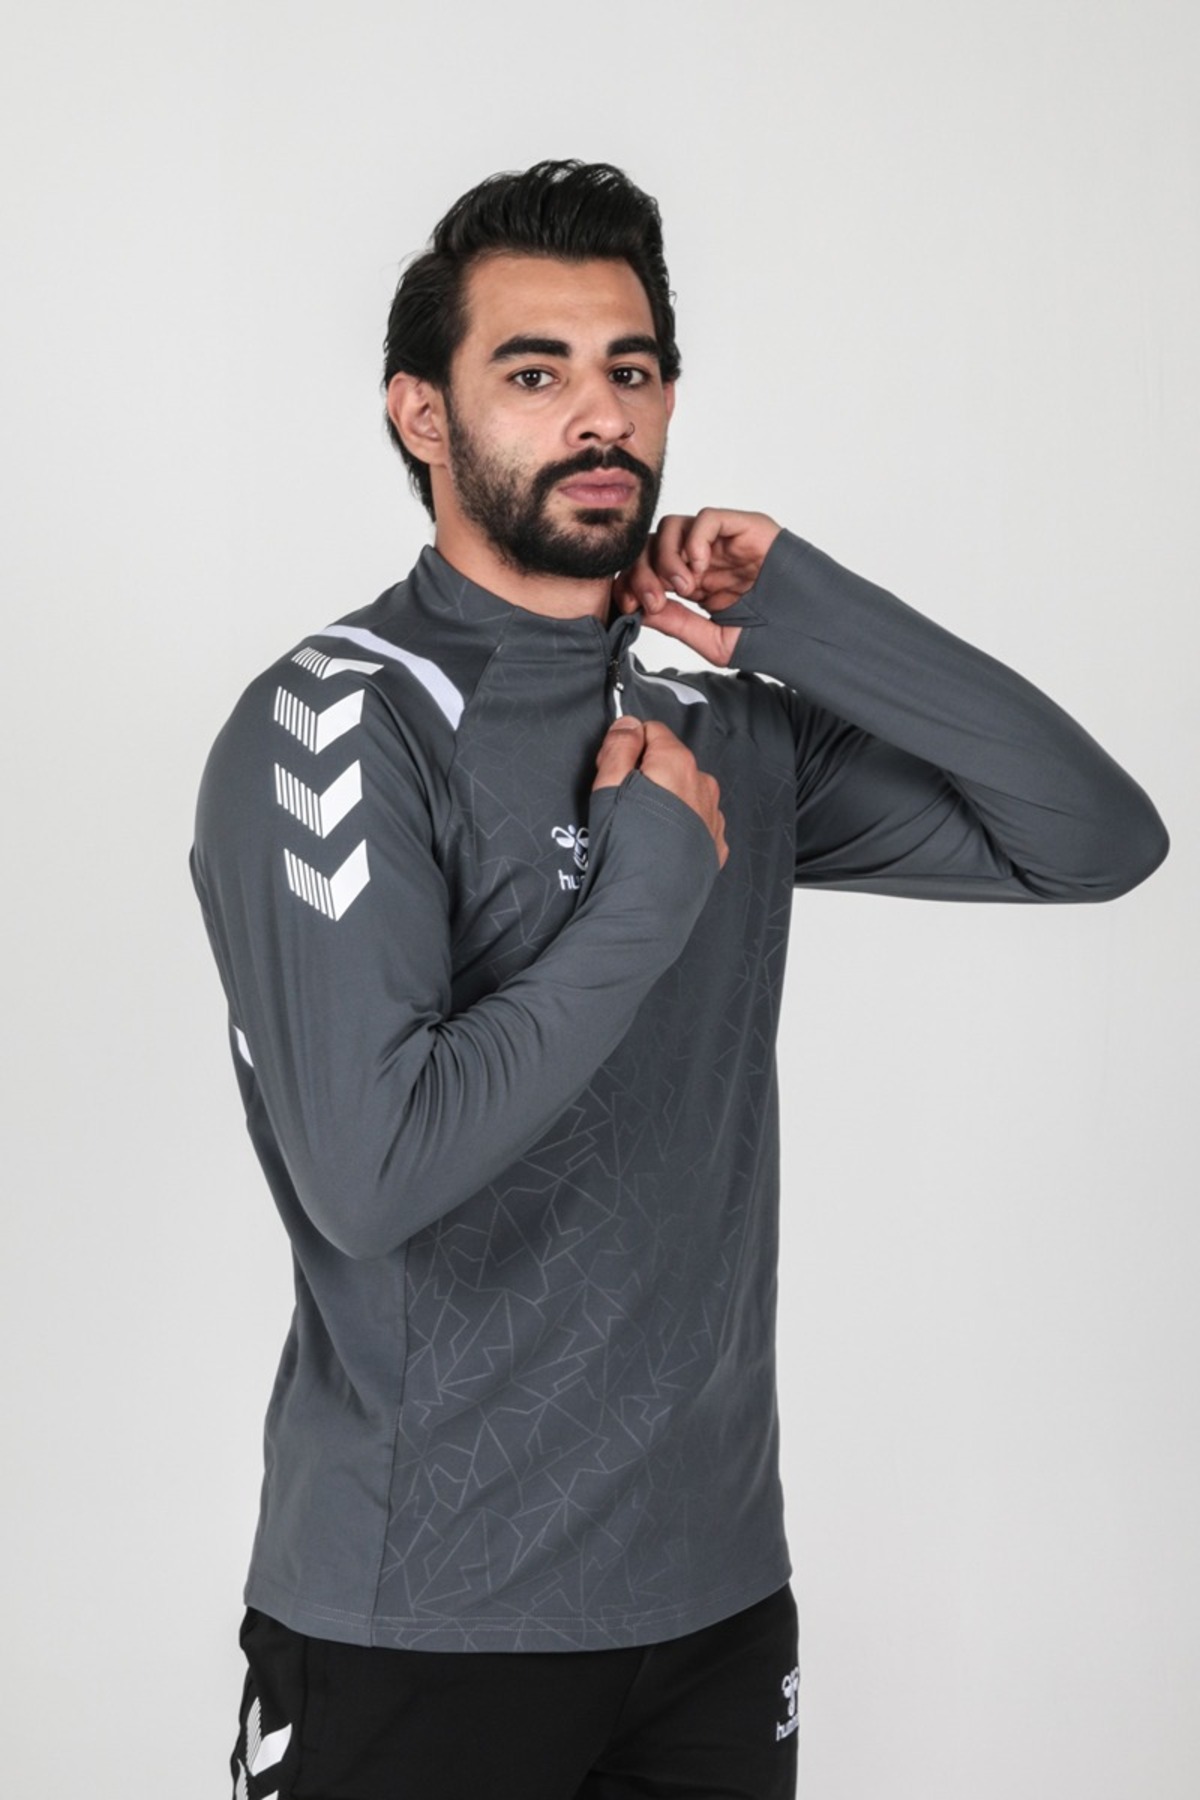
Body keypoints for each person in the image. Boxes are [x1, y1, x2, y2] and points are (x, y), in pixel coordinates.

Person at [192, 160, 1168, 1800]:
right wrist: (646, 894)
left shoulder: (720, 720)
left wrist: (804, 608)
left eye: (632, 369)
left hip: (713, 1607)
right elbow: (372, 1172)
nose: (601, 415)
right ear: (422, 415)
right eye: (535, 373)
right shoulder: (336, 720)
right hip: (423, 1616)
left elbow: (1094, 838)